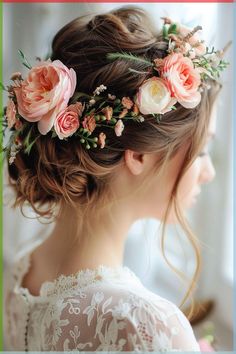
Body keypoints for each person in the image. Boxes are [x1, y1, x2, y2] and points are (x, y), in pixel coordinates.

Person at [3, 6, 227, 351]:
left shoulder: (24, 270)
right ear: (138, 155)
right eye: (200, 151)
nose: (208, 172)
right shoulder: (143, 325)